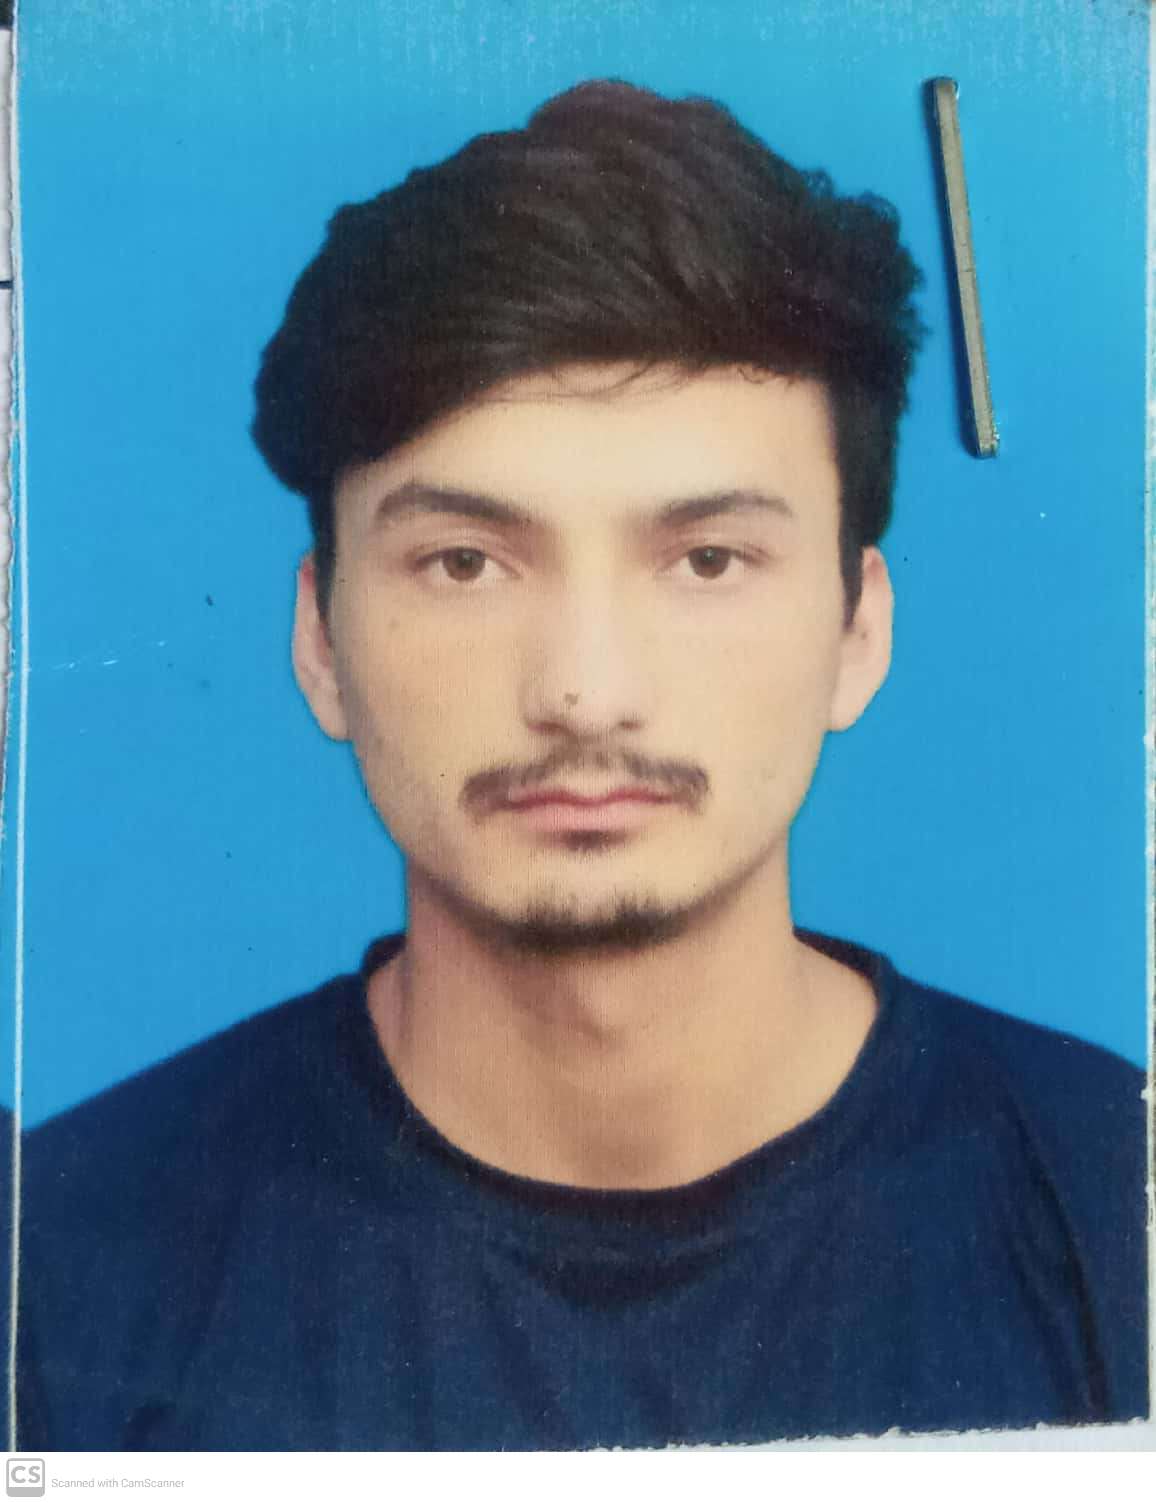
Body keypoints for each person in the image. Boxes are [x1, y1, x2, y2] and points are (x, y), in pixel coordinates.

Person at [17, 80, 1148, 1451]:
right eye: (465, 563)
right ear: (319, 641)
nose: (583, 692)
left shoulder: (1115, 1209)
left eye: (708, 560)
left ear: (861, 630)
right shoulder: (55, 1275)